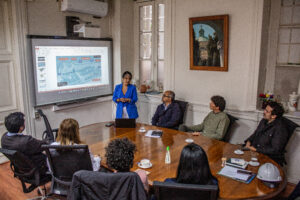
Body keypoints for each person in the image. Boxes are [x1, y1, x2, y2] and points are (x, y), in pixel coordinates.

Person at [244, 101, 289, 166]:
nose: (264, 112)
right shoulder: (264, 121)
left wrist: (256, 149)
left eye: (267, 111)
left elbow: (275, 149)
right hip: (255, 153)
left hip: (268, 158)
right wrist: (248, 141)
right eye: (265, 109)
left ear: (273, 116)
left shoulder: (280, 128)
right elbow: (255, 134)